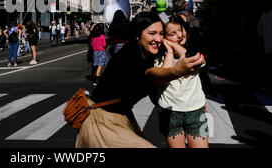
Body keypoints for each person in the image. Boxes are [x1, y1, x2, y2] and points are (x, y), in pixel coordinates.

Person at [76, 11, 205, 148]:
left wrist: (170, 45)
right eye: (152, 33)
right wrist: (177, 71)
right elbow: (152, 75)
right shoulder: (130, 56)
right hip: (102, 120)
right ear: (138, 35)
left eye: (161, 34)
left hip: (120, 116)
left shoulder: (147, 52)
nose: (158, 39)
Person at [155, 15, 208, 148]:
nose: (179, 35)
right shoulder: (160, 57)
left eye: (180, 29)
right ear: (164, 37)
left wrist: (172, 43)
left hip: (196, 111)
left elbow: (196, 61)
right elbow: (163, 77)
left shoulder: (192, 51)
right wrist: (169, 51)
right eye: (172, 34)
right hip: (169, 111)